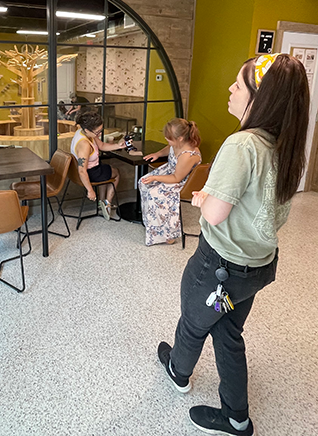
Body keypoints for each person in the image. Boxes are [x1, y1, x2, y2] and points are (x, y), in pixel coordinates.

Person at [157, 54, 310, 436]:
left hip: (219, 265)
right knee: (226, 331)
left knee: (194, 321)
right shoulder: (286, 145)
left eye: (238, 84)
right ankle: (236, 417)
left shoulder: (242, 144)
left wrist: (202, 198)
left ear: (261, 97)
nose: (230, 89)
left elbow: (215, 214)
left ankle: (179, 372)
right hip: (257, 265)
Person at [138, 118, 202, 246]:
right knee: (143, 182)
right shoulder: (178, 143)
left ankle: (168, 234)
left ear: (180, 138)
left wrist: (156, 178)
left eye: (169, 138)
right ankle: (152, 224)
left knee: (154, 193)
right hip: (171, 171)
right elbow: (169, 148)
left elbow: (176, 178)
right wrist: (157, 154)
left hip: (182, 181)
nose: (167, 140)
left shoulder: (187, 155)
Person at [71, 110, 125, 220]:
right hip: (90, 173)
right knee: (116, 173)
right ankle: (107, 203)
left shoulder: (84, 132)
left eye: (101, 131)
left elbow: (102, 145)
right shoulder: (84, 144)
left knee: (106, 169)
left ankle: (102, 202)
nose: (99, 134)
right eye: (97, 132)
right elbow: (82, 171)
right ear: (87, 130)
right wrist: (90, 190)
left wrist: (118, 146)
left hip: (94, 168)